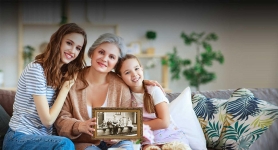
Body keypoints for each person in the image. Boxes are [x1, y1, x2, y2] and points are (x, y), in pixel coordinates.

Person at [54, 33, 162, 150]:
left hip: (117, 143)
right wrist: (80, 125)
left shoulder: (121, 86)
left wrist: (118, 137)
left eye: (112, 57)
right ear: (92, 53)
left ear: (116, 63)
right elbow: (60, 120)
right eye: (101, 52)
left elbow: (128, 124)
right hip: (84, 144)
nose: (104, 59)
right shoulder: (71, 81)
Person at [3, 23, 87, 150]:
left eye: (78, 48)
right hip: (19, 138)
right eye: (69, 43)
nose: (72, 51)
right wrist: (65, 87)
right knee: (65, 144)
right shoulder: (36, 69)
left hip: (43, 138)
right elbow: (47, 121)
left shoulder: (62, 74)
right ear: (58, 41)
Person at [115, 54, 191, 150]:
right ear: (120, 77)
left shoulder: (154, 90)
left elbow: (165, 122)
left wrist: (134, 126)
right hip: (149, 141)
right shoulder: (125, 96)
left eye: (136, 68)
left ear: (142, 68)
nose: (134, 74)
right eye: (127, 72)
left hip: (171, 137)